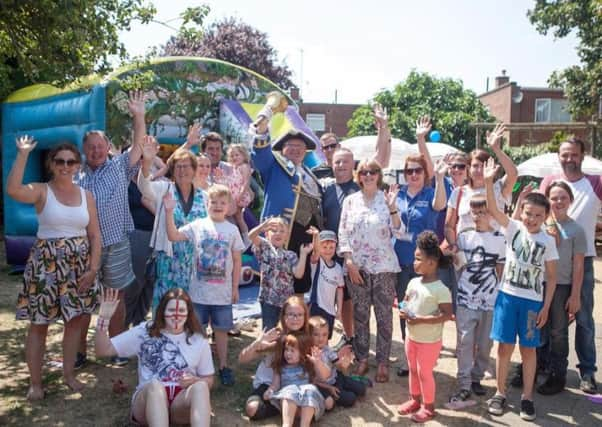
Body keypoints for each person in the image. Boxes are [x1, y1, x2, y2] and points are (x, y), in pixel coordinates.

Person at [9, 138, 101, 400]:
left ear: (77, 165)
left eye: (70, 161)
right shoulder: (41, 190)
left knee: (74, 322)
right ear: (51, 164)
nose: (65, 165)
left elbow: (95, 235)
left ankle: (69, 375)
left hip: (79, 266)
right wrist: (23, 155)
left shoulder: (87, 196)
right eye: (59, 161)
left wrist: (93, 269)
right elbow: (13, 189)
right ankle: (36, 384)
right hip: (45, 265)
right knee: (40, 325)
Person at [484, 158, 558, 421]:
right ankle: (500, 393)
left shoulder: (548, 241)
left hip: (531, 303)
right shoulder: (513, 228)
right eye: (528, 213)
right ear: (521, 211)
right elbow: (492, 209)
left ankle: (527, 397)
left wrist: (546, 307)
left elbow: (551, 277)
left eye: (538, 215)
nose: (532, 219)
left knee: (529, 350)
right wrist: (489, 180)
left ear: (545, 217)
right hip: (507, 298)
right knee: (503, 348)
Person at [75, 91, 145, 366]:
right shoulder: (75, 174)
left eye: (100, 146)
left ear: (107, 147)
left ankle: (116, 350)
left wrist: (139, 116)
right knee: (81, 301)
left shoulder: (118, 167)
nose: (95, 150)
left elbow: (139, 145)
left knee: (115, 298)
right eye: (91, 147)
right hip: (84, 246)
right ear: (84, 149)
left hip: (116, 243)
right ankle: (79, 353)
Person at [95, 288, 213, 427]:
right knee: (155, 386)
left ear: (188, 313)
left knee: (201, 387)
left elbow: (209, 379)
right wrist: (104, 319)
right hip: (148, 399)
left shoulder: (198, 339)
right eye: (171, 311)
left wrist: (196, 380)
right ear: (162, 312)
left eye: (181, 311)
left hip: (180, 401)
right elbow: (103, 349)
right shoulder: (145, 331)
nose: (176, 316)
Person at [164, 184, 244, 386]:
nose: (218, 206)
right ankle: (196, 367)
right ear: (206, 204)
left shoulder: (232, 230)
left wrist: (235, 288)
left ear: (229, 207)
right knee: (197, 332)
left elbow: (237, 261)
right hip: (198, 294)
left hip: (222, 294)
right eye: (213, 202)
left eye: (222, 203)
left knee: (221, 331)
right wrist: (168, 211)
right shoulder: (197, 225)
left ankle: (224, 366)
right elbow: (173, 236)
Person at [539, 137, 600, 394]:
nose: (569, 159)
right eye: (565, 154)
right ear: (559, 156)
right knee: (550, 319)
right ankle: (546, 366)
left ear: (582, 156)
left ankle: (587, 371)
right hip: (549, 261)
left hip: (581, 261)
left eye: (574, 154)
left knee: (584, 318)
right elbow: (536, 212)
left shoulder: (595, 182)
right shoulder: (549, 182)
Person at [338, 159, 401, 383]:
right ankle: (363, 358)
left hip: (384, 266)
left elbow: (400, 231)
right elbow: (342, 231)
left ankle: (382, 361)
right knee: (361, 315)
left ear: (379, 174)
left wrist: (393, 207)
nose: (368, 175)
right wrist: (348, 261)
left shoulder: (388, 199)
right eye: (364, 172)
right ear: (358, 175)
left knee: (384, 316)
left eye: (373, 171)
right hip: (358, 267)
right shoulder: (350, 201)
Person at [137, 135, 208, 310]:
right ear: (172, 170)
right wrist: (147, 162)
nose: (182, 171)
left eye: (186, 166)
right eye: (178, 167)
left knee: (189, 306)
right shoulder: (165, 189)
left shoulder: (204, 197)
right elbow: (144, 187)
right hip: (168, 259)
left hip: (194, 261)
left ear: (194, 169)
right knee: (165, 303)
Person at [394, 154, 447, 376]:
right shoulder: (397, 195)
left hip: (425, 263)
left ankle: (428, 354)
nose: (413, 175)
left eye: (418, 170)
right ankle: (409, 357)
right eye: (409, 171)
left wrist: (441, 178)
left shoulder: (430, 193)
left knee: (427, 308)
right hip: (402, 260)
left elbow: (441, 204)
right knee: (407, 309)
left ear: (426, 174)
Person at [449, 195, 505, 403]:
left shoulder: (500, 239)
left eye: (483, 211)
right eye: (475, 211)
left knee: (485, 343)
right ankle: (463, 383)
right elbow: (459, 266)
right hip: (466, 298)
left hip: (489, 300)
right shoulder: (464, 237)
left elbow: (500, 269)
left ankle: (477, 377)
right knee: (464, 342)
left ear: (491, 213)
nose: (479, 215)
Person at [397, 231, 453, 423]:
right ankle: (414, 400)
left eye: (418, 259)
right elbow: (405, 301)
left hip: (429, 342)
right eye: (415, 258)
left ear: (432, 262)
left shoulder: (441, 290)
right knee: (413, 369)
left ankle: (428, 407)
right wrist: (402, 309)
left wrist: (420, 319)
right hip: (411, 338)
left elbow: (447, 315)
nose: (414, 263)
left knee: (424, 372)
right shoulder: (413, 282)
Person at [536, 181, 585, 395]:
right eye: (554, 197)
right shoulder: (539, 223)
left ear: (570, 200)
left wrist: (575, 295)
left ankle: (558, 375)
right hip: (538, 284)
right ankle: (535, 366)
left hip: (562, 286)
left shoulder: (576, 229)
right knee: (538, 328)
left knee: (558, 332)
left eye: (563, 197)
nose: (558, 201)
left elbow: (579, 265)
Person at [444, 123, 517, 248]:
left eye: (483, 166)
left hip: (494, 252)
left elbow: (513, 174)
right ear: (468, 168)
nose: (479, 170)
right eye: (475, 166)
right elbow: (449, 226)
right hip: (466, 254)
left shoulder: (498, 188)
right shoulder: (459, 192)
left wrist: (496, 149)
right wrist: (454, 246)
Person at [238, 296, 310, 421]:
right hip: (268, 385)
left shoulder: (307, 338)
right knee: (253, 409)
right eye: (291, 314)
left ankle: (286, 407)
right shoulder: (275, 336)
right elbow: (242, 359)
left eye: (299, 315)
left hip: (293, 386)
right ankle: (283, 408)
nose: (295, 319)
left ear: (305, 317)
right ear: (284, 316)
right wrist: (257, 344)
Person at [249, 217, 307, 330]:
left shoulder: (291, 255)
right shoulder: (264, 247)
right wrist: (262, 226)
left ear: (287, 236)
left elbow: (298, 274)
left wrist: (303, 254)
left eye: (282, 231)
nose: (278, 234)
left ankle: (285, 347)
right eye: (274, 231)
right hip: (268, 299)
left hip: (286, 301)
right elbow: (251, 236)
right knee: (269, 330)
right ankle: (270, 347)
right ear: (266, 234)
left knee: (286, 330)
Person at [264, 334, 330, 427]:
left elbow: (322, 378)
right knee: (290, 390)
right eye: (286, 349)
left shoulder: (307, 366)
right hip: (289, 404)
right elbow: (275, 384)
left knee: (310, 389)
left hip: (305, 406)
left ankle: (305, 425)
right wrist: (270, 390)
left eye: (292, 350)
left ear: (302, 353)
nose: (288, 354)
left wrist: (317, 362)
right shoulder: (281, 367)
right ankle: (287, 424)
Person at [309, 316, 365, 409]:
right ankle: (334, 397)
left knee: (361, 389)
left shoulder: (327, 349)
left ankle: (345, 385)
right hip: (324, 386)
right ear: (309, 335)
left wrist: (345, 361)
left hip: (337, 377)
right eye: (316, 334)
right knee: (350, 399)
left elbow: (339, 365)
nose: (321, 338)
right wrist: (328, 388)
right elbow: (311, 380)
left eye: (324, 335)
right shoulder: (309, 354)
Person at [306, 228, 344, 338]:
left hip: (330, 310)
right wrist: (316, 236)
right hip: (316, 306)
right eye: (324, 247)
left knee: (325, 338)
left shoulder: (338, 268)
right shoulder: (318, 262)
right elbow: (315, 252)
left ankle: (324, 356)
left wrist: (339, 310)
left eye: (331, 247)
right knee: (312, 337)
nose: (328, 250)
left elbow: (340, 289)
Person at [224, 143, 254, 215]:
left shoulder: (244, 166)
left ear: (244, 156)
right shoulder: (235, 168)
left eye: (237, 155)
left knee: (236, 215)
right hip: (235, 196)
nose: (234, 157)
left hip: (241, 196)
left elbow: (246, 182)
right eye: (232, 156)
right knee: (239, 218)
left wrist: (240, 196)